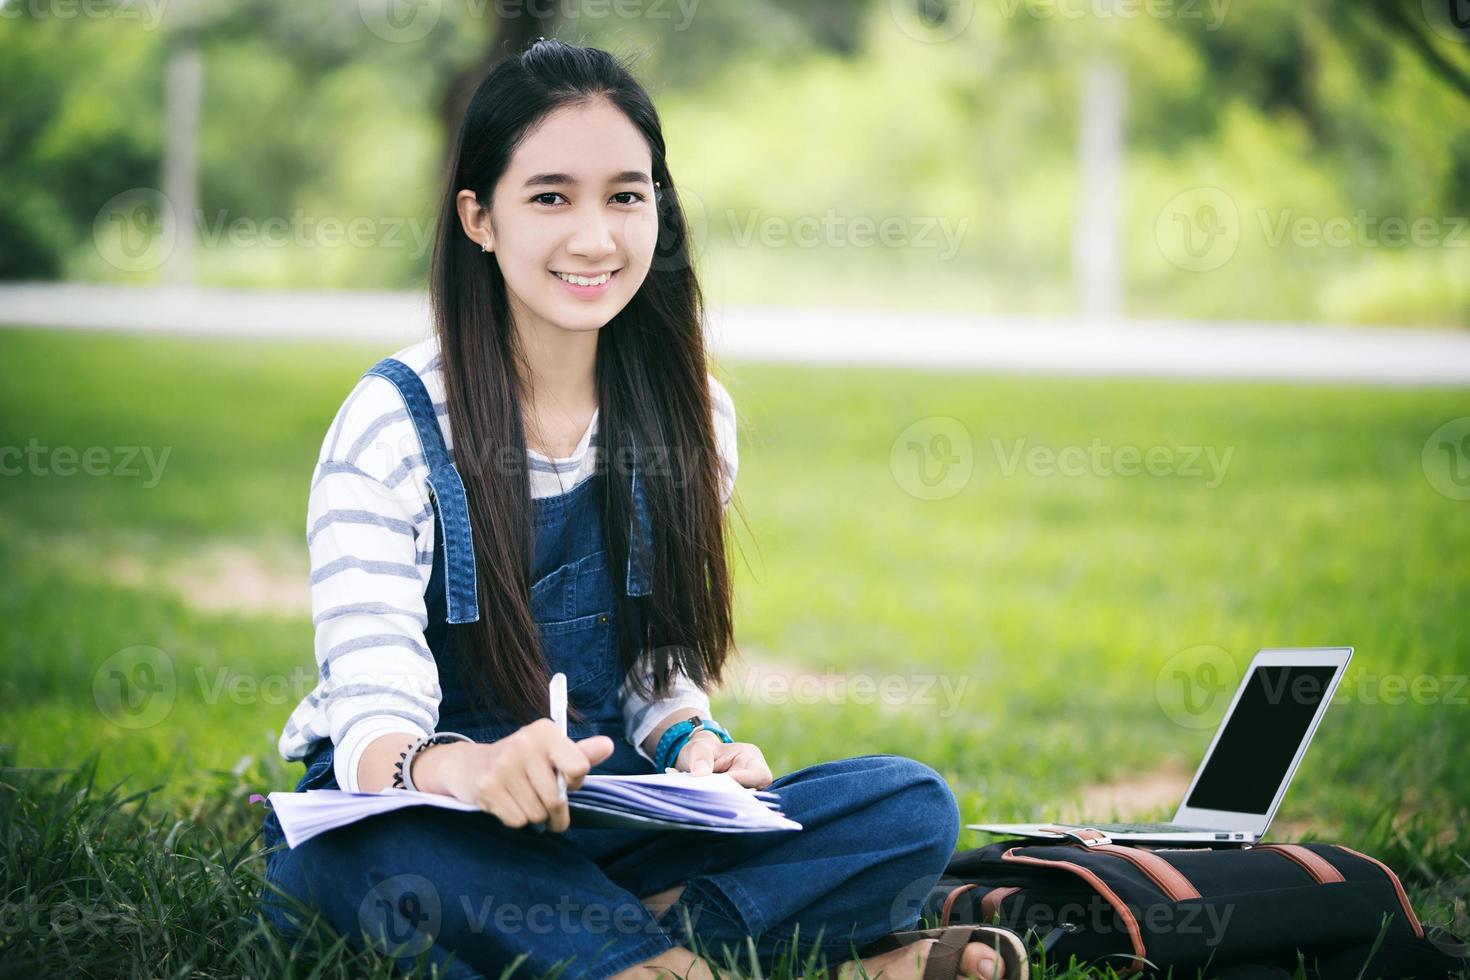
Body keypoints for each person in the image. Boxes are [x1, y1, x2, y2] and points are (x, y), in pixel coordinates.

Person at [258, 38, 1007, 980]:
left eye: (625, 194)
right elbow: (371, 725)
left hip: (602, 817)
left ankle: (606, 943)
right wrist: (475, 771)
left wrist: (700, 746)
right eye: (550, 197)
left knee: (907, 807)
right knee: (369, 859)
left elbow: (657, 676)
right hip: (424, 813)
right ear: (478, 218)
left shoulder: (690, 416)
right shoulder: (394, 423)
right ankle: (725, 956)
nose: (595, 238)